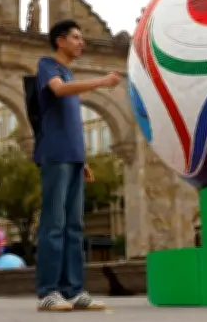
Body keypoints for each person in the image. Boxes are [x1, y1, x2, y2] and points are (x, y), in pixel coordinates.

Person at [33, 19, 121, 312]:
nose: (81, 42)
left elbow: (71, 121)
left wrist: (82, 160)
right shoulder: (48, 65)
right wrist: (100, 82)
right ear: (60, 41)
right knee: (54, 224)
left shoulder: (68, 72)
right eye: (75, 37)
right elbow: (58, 91)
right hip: (55, 156)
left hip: (72, 158)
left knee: (74, 226)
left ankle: (73, 290)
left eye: (82, 38)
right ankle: (48, 291)